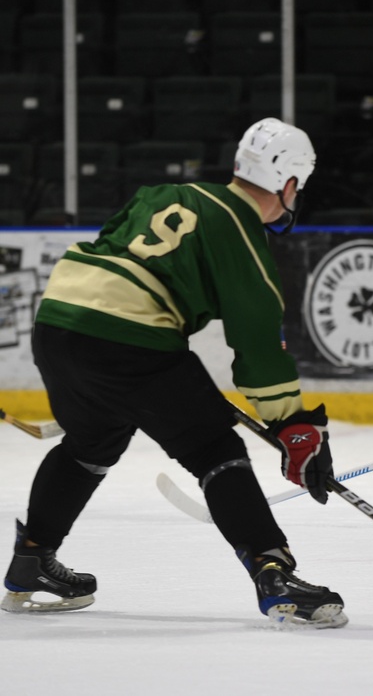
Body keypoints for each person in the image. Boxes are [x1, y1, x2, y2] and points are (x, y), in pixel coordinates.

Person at [1, 118, 346, 628]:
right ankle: (274, 575)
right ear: (289, 183)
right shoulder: (243, 231)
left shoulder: (170, 192)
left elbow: (112, 251)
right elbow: (257, 350)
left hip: (57, 320)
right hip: (129, 338)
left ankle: (32, 560)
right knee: (215, 450)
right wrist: (294, 424)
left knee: (91, 442)